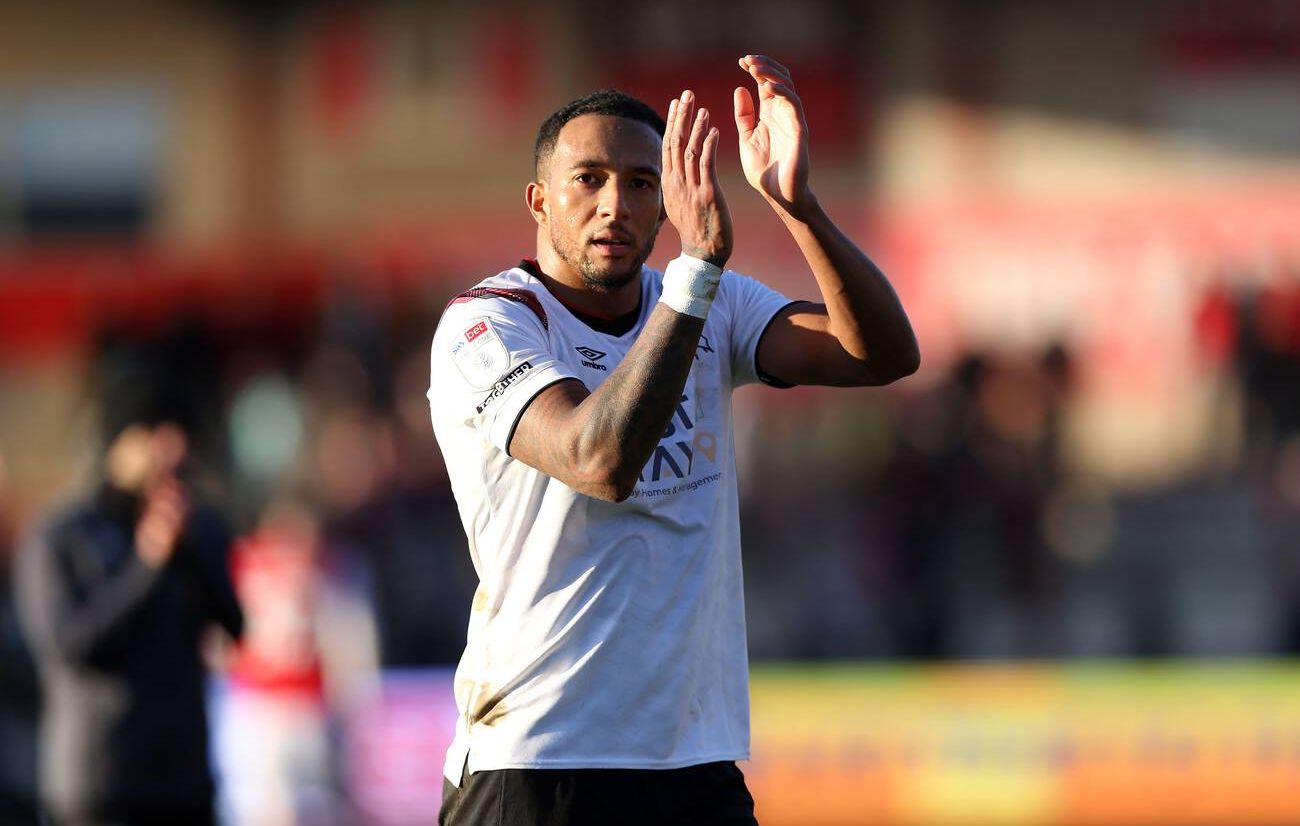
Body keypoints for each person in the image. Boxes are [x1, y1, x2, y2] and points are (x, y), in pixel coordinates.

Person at [426, 55, 918, 825]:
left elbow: (882, 354)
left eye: (642, 182)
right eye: (587, 178)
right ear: (538, 200)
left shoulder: (708, 304)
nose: (614, 204)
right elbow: (599, 460)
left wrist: (798, 205)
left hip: (692, 761)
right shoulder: (488, 324)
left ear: (665, 204)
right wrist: (696, 271)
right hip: (539, 760)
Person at [15, 373, 243, 826]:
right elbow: (70, 645)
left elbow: (233, 626)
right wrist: (147, 564)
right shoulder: (63, 534)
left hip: (186, 781)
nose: (173, 448)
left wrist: (187, 553)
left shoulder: (201, 527)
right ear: (119, 441)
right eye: (155, 431)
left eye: (180, 433)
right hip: (102, 784)